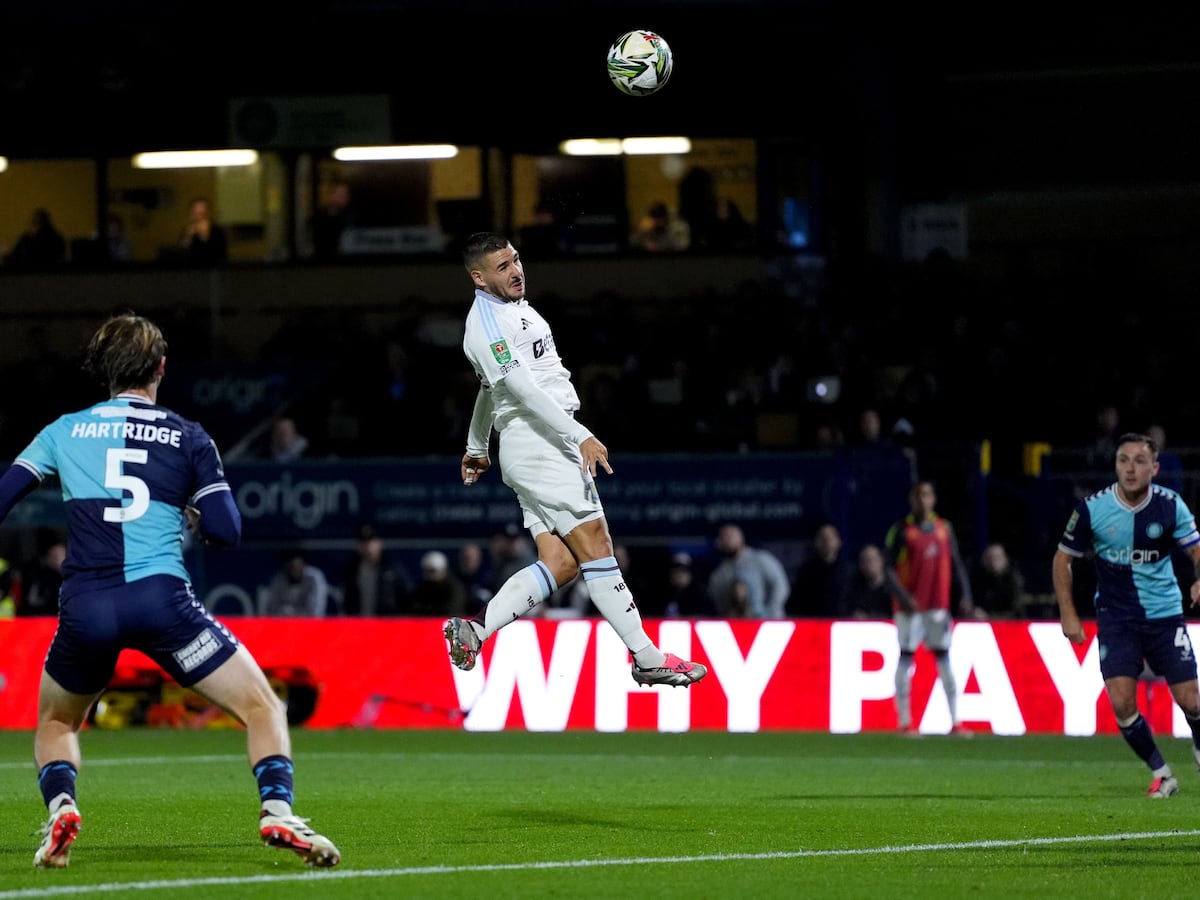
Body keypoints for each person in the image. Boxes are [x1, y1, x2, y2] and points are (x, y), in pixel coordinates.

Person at [0, 312, 338, 868]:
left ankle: (61, 809)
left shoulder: (62, 430)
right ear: (160, 367)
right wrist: (194, 510)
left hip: (86, 608)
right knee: (261, 707)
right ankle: (277, 812)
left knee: (57, 722)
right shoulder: (189, 436)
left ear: (104, 370)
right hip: (163, 605)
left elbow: (7, 494)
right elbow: (228, 531)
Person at [442, 232, 706, 688]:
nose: (516, 270)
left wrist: (476, 446)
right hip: (543, 442)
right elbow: (520, 389)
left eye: (516, 260)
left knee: (562, 564)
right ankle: (647, 656)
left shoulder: (510, 310)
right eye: (502, 267)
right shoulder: (484, 324)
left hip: (531, 445)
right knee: (598, 546)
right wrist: (579, 434)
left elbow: (490, 389)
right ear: (478, 277)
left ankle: (476, 630)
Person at [1053, 431, 1200, 799]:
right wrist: (1069, 613)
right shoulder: (1093, 509)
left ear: (1155, 467)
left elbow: (1197, 550)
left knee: (1192, 700)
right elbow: (1062, 559)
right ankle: (1163, 774)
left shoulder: (1170, 505)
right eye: (1123, 460)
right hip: (1117, 617)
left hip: (1164, 613)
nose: (1130, 468)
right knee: (1121, 702)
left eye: (1138, 461)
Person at [884, 480, 974, 735]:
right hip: (910, 609)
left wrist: (964, 594)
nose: (922, 500)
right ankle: (905, 722)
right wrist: (903, 597)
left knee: (945, 660)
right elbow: (887, 568)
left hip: (938, 606)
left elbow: (955, 562)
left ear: (933, 499)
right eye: (917, 496)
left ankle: (955, 722)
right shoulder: (901, 530)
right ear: (912, 501)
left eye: (926, 495)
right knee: (906, 658)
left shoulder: (944, 528)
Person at [707, 522, 790, 618]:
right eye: (723, 537)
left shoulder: (761, 558)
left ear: (741, 538)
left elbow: (781, 586)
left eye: (730, 536)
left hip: (770, 622)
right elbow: (719, 602)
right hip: (738, 625)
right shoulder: (720, 572)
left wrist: (770, 613)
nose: (727, 540)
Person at [340, 524, 411, 616]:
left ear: (379, 543)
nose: (368, 546)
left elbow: (406, 599)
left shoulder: (392, 569)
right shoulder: (352, 569)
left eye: (371, 541)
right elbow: (346, 601)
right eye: (363, 542)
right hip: (359, 625)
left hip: (386, 626)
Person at [789, 523, 854, 617]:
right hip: (813, 624)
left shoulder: (849, 572)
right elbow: (796, 604)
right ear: (816, 542)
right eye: (823, 538)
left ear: (839, 542)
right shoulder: (806, 572)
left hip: (841, 624)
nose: (827, 542)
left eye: (830, 538)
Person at [262, 548, 330, 617]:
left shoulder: (314, 578)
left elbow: (316, 612)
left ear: (304, 565)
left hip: (309, 625)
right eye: (291, 567)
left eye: (298, 566)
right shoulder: (278, 579)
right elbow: (272, 611)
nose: (295, 571)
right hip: (284, 625)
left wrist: (289, 612)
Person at [969, 542, 1025, 619]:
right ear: (983, 560)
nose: (993, 562)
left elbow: (1016, 613)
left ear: (1006, 560)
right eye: (990, 558)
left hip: (1010, 625)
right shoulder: (977, 579)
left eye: (997, 558)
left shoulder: (1014, 580)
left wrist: (988, 617)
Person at [406, 549, 468, 617]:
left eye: (433, 571)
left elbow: (453, 611)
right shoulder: (420, 588)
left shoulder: (454, 589)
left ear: (443, 570)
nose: (430, 576)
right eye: (426, 571)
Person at [18, 534, 66, 617]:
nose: (61, 559)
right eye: (56, 556)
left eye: (63, 555)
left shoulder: (71, 577)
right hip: (38, 618)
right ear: (49, 557)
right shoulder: (38, 575)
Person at [843, 544, 893, 619]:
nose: (868, 564)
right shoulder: (854, 588)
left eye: (871, 560)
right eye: (863, 561)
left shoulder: (892, 590)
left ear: (881, 561)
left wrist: (870, 618)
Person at [178, 197, 228, 265]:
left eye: (202, 213)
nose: (199, 217)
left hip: (213, 269)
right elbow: (181, 252)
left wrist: (204, 236)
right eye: (195, 212)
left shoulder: (217, 230)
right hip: (191, 269)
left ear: (208, 213)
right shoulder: (188, 230)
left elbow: (220, 253)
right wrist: (188, 237)